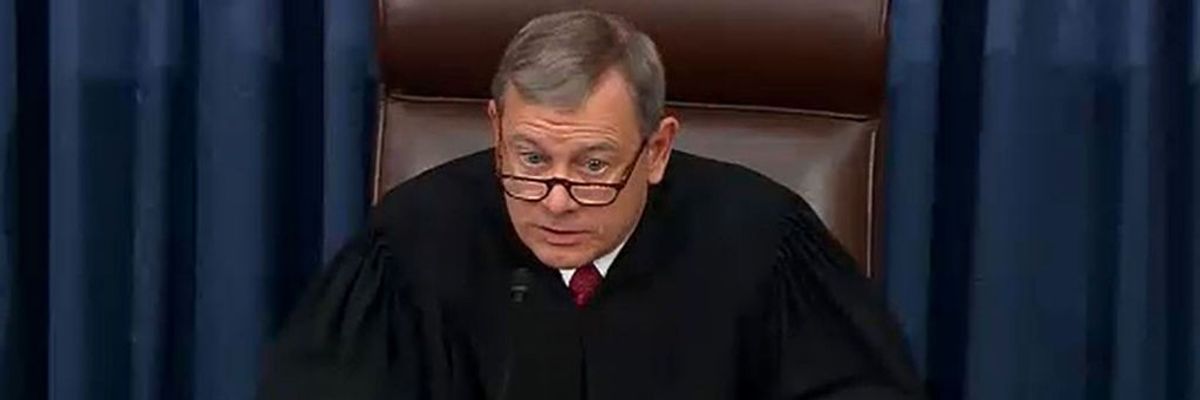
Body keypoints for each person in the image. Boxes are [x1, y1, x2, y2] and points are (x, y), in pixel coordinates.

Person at [260, 10, 924, 400]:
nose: (555, 201)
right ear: (495, 128)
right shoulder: (411, 243)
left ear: (657, 149)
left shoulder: (760, 242)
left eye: (595, 167)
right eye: (529, 160)